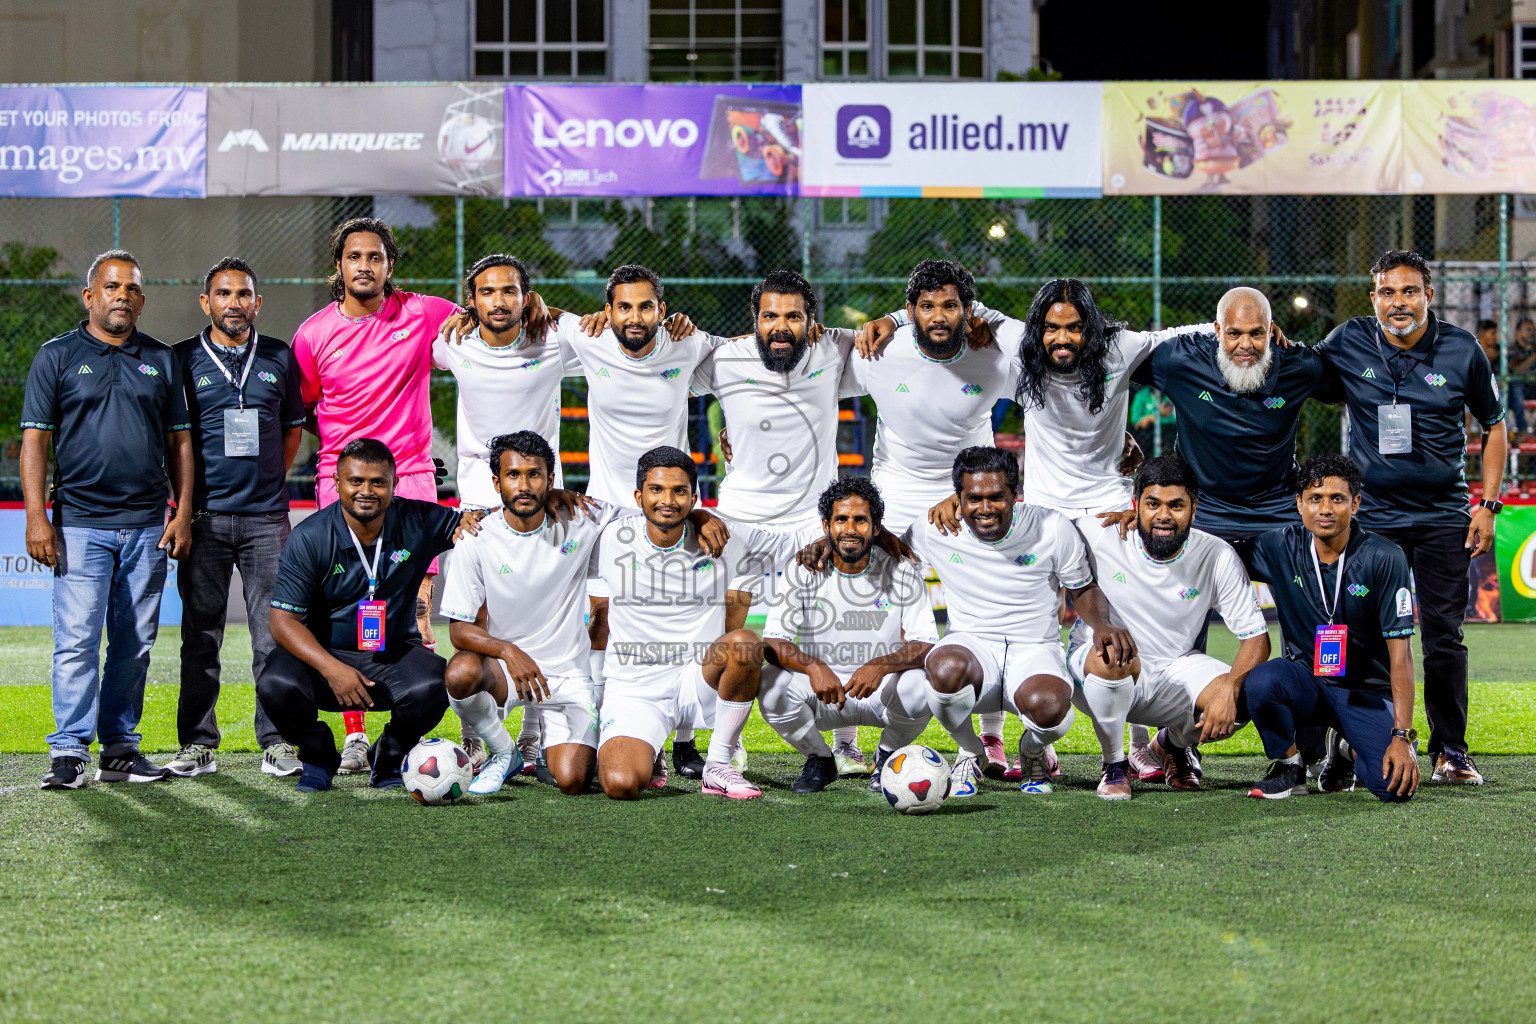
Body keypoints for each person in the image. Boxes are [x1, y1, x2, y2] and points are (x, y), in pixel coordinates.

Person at [439, 431, 727, 796]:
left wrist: (700, 515)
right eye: (514, 475)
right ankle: (503, 752)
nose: (524, 485)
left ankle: (552, 740)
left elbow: (658, 514)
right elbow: (459, 631)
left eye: (535, 474)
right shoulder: (476, 537)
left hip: (568, 676)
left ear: (551, 479)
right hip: (509, 670)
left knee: (574, 780)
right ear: (497, 482)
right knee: (461, 672)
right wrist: (509, 651)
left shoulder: (582, 517)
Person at [1315, 249, 1505, 785]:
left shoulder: (1463, 349)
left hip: (1444, 516)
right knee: (1355, 635)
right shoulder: (1348, 341)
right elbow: (1296, 380)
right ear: (1373, 298)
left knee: (1443, 635)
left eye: (1409, 291)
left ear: (1428, 296)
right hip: (1371, 518)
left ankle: (1451, 750)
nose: (1398, 302)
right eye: (1387, 292)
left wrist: (1487, 506)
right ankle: (1350, 746)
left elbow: (1494, 425)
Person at [292, 218, 462, 776]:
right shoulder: (312, 334)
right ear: (337, 267)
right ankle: (356, 735)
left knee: (416, 611)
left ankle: (422, 728)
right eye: (353, 256)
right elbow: (308, 410)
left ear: (391, 265)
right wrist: (349, 457)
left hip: (411, 478)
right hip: (339, 485)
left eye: (375, 256)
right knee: (338, 614)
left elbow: (491, 325)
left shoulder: (425, 313)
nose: (364, 265)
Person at [839, 260, 1019, 773]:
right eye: (925, 306)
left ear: (969, 310)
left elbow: (1056, 395)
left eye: (951, 306)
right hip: (895, 490)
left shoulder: (993, 354)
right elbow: (807, 379)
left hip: (972, 491)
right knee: (871, 607)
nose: (938, 317)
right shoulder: (880, 350)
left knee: (984, 603)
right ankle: (847, 735)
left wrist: (1121, 437)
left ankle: (992, 736)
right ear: (911, 309)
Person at [23, 249, 194, 789]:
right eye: (112, 286)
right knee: (76, 640)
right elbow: (35, 442)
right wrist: (36, 518)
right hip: (78, 524)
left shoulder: (162, 359)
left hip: (147, 525)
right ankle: (70, 751)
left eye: (132, 289)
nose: (122, 296)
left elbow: (180, 444)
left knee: (133, 643)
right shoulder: (55, 356)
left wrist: (182, 511)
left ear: (141, 298)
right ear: (90, 295)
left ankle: (119, 750)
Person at [689, 270, 867, 774]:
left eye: (793, 316)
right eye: (771, 316)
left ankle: (846, 739)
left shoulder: (833, 352)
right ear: (755, 319)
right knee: (733, 631)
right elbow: (658, 377)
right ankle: (730, 741)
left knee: (830, 631)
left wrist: (894, 318)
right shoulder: (724, 358)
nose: (781, 326)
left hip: (814, 523)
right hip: (742, 520)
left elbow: (890, 341)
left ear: (812, 321)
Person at [905, 447, 1135, 797]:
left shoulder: (1051, 526)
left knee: (1051, 708)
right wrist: (828, 544)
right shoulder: (934, 528)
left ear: (1015, 493)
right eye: (973, 498)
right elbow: (888, 553)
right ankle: (970, 752)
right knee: (943, 667)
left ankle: (1032, 752)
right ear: (958, 498)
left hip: (1035, 647)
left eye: (996, 497)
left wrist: (1102, 625)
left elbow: (1083, 588)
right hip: (972, 644)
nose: (984, 508)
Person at [258, 439, 483, 792]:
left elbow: (480, 525)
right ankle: (318, 755)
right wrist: (333, 670)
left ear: (394, 484)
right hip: (325, 658)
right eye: (356, 481)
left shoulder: (419, 520)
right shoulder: (310, 537)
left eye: (378, 482)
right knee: (275, 683)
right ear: (337, 482)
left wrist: (546, 503)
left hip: (390, 656)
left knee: (436, 682)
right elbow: (282, 623)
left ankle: (389, 756)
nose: (367, 491)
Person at [161, 257, 307, 779]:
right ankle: (198, 744)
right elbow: (173, 441)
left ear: (257, 302)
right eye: (223, 295)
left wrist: (270, 479)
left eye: (243, 294)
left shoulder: (278, 356)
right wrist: (181, 508)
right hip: (203, 519)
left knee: (274, 636)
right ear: (207, 303)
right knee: (201, 636)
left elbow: (291, 430)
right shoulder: (180, 359)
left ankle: (277, 742)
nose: (234, 304)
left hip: (268, 520)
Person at [432, 253, 576, 771]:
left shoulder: (555, 340)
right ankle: (477, 734)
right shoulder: (453, 343)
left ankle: (536, 732)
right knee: (480, 614)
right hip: (478, 494)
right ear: (471, 301)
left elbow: (607, 340)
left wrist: (553, 311)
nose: (499, 300)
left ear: (526, 297)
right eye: (487, 292)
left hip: (539, 491)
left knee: (540, 606)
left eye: (511, 291)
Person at [593, 447, 798, 801]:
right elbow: (543, 520)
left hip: (697, 678)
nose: (667, 500)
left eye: (680, 491)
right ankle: (651, 745)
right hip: (636, 688)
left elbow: (795, 541)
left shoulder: (724, 537)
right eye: (656, 490)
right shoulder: (610, 537)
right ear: (638, 496)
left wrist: (877, 530)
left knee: (745, 643)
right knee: (620, 783)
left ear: (694, 496)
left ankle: (718, 764)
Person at [1069, 456, 1271, 799]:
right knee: (1115, 653)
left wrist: (1229, 690)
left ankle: (1171, 745)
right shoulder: (1097, 533)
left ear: (1194, 508)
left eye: (1176, 505)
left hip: (1176, 665)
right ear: (1135, 505)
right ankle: (1114, 765)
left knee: (1247, 694)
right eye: (1152, 504)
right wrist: (956, 504)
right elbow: (1035, 527)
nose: (1163, 515)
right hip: (1100, 668)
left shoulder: (1217, 555)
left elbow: (1257, 640)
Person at [1120, 286, 1338, 570]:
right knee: (1173, 599)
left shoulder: (1299, 366)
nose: (1245, 344)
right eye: (1234, 333)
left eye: (1256, 333)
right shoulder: (1181, 360)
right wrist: (1117, 436)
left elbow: (1356, 389)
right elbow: (1113, 363)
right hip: (1201, 508)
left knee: (1320, 580)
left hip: (1277, 508)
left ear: (1271, 331)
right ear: (1217, 331)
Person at [1243, 455, 1420, 802]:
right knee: (1262, 681)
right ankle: (1290, 766)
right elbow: (1208, 548)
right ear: (1299, 504)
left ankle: (1345, 748)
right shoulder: (1279, 546)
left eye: (1337, 498)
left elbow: (1402, 655)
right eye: (1315, 498)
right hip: (1306, 681)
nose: (1325, 509)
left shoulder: (1385, 556)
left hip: (1363, 690)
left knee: (1393, 788)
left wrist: (1401, 736)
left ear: (1355, 503)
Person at [759, 477, 938, 793]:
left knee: (920, 685)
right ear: (826, 524)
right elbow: (774, 641)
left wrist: (880, 665)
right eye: (841, 519)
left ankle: (885, 757)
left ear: (877, 527)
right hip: (822, 691)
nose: (850, 528)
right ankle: (819, 758)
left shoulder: (901, 569)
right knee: (770, 683)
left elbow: (926, 643)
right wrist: (813, 667)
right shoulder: (804, 568)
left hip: (880, 692)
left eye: (860, 520)